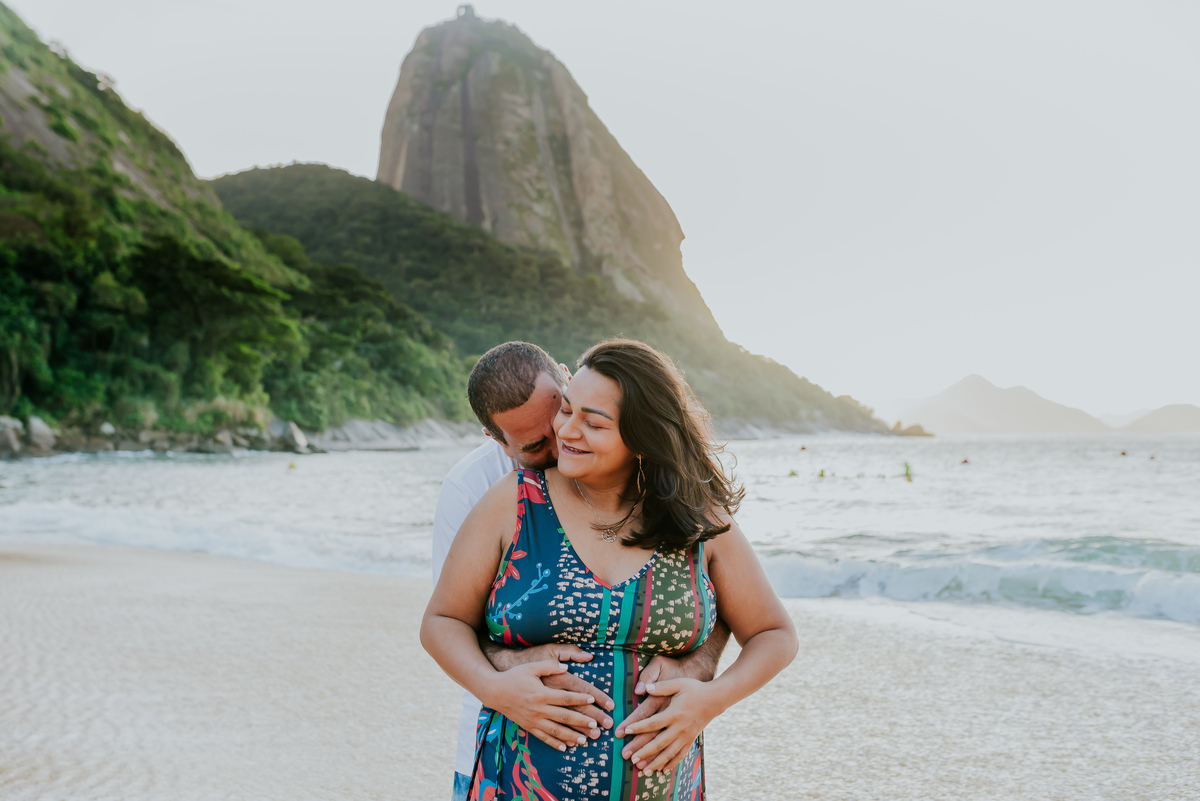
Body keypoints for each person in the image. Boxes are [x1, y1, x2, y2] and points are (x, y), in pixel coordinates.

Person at [424, 339, 798, 800]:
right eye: (567, 415)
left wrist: (710, 697)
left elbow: (772, 632)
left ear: (640, 435)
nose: (566, 433)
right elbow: (445, 620)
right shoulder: (507, 498)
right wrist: (498, 684)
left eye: (589, 420)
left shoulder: (694, 515)